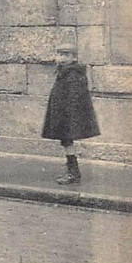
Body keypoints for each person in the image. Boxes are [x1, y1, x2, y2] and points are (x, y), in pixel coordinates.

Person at [41, 43, 100, 184]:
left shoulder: (73, 73)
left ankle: (73, 172)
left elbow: (74, 98)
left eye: (66, 55)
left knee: (67, 141)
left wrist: (67, 116)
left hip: (68, 116)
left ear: (74, 58)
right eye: (60, 54)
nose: (62, 58)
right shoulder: (63, 71)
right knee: (66, 142)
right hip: (62, 114)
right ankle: (72, 170)